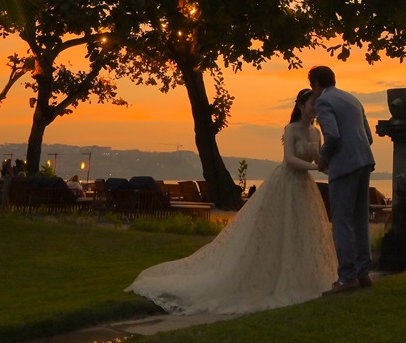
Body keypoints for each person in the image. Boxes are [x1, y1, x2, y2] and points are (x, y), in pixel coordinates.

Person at [127, 89, 336, 314]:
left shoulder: (316, 132)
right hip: (285, 183)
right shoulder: (292, 129)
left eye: (318, 104)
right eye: (313, 104)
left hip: (304, 186)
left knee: (302, 231)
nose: (315, 109)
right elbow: (290, 159)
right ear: (302, 105)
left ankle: (300, 276)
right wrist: (315, 167)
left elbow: (318, 160)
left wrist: (332, 171)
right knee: (277, 229)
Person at [309, 65, 377, 294]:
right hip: (364, 161)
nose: (313, 91)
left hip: (344, 166)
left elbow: (333, 135)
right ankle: (363, 272)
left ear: (317, 84)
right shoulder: (353, 100)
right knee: (360, 219)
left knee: (342, 221)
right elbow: (368, 137)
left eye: (313, 86)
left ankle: (347, 276)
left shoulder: (324, 102)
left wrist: (323, 160)